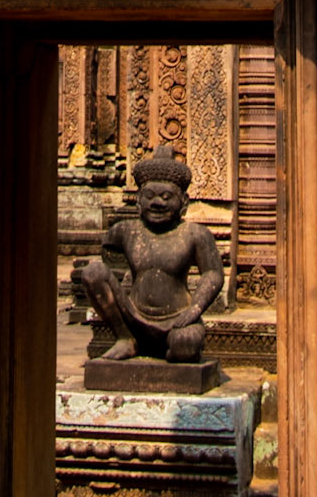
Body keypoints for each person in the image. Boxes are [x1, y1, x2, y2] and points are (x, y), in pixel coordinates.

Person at [81, 144, 224, 363]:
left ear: (183, 202)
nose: (157, 203)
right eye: (149, 196)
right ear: (138, 200)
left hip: (178, 320)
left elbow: (213, 274)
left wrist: (194, 310)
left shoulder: (195, 234)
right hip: (133, 316)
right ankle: (124, 338)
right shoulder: (125, 231)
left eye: (167, 197)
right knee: (92, 272)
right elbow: (110, 264)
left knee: (185, 344)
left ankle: (165, 349)